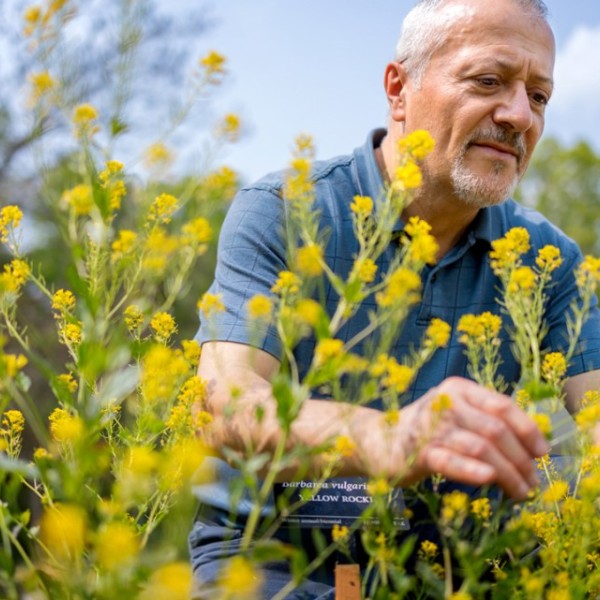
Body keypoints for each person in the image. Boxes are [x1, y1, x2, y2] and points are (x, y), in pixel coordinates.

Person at [189, 0, 600, 597]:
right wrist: (386, 437)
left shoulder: (549, 261)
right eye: (489, 81)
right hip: (275, 556)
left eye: (539, 97)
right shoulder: (283, 211)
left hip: (456, 566)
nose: (519, 116)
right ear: (398, 88)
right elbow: (222, 403)